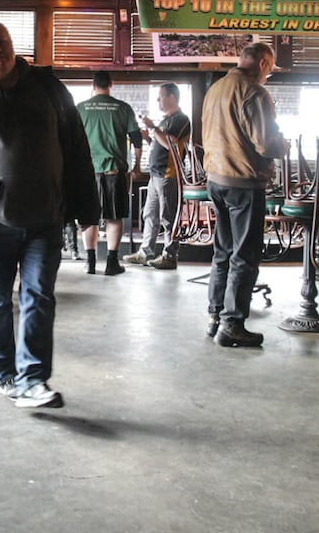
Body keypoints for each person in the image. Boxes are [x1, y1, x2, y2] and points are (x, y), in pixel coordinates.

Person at [0, 19, 99, 408]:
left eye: (2, 42)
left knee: (39, 297)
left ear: (14, 45)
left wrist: (85, 206)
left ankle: (33, 378)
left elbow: (77, 148)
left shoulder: (48, 88)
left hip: (46, 219)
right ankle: (5, 374)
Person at [200, 40, 288, 347]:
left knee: (222, 251)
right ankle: (233, 324)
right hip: (243, 182)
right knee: (244, 255)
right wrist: (283, 145)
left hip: (216, 179)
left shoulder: (216, 89)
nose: (269, 76)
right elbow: (264, 143)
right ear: (263, 63)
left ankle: (214, 315)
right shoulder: (253, 91)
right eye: (270, 70)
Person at [76, 70, 143, 276]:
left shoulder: (80, 109)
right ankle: (112, 263)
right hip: (115, 169)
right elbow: (137, 140)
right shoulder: (123, 108)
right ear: (111, 84)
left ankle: (90, 262)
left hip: (88, 171)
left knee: (89, 217)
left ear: (93, 85)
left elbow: (69, 140)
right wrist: (137, 165)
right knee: (114, 217)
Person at [123, 83, 192, 270]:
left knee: (168, 216)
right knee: (149, 214)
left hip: (168, 174)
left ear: (171, 97)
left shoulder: (180, 119)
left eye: (160, 97)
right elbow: (160, 143)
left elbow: (171, 144)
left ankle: (170, 255)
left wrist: (153, 128)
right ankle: (146, 252)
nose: (158, 101)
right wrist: (148, 137)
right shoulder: (165, 120)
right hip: (155, 174)